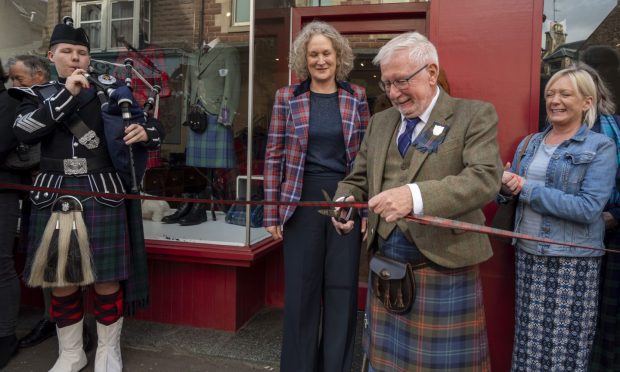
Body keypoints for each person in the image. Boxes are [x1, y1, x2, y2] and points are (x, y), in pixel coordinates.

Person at [331, 31, 502, 370]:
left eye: (401, 81)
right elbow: (358, 178)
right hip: (387, 264)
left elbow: (485, 178)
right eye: (387, 84)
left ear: (432, 72)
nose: (393, 93)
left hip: (444, 265)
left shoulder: (473, 115)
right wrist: (345, 200)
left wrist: (414, 196)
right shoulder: (380, 123)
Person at [11, 18, 160, 372]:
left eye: (82, 52)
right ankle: (71, 354)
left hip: (102, 191)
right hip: (54, 191)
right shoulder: (36, 95)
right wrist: (68, 94)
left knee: (107, 278)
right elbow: (24, 131)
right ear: (52, 56)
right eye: (67, 52)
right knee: (62, 279)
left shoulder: (113, 92)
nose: (75, 58)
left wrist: (144, 132)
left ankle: (109, 351)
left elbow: (155, 127)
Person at [263, 21, 369, 372]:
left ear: (339, 57)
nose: (320, 60)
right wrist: (272, 212)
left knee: (341, 291)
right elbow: (274, 155)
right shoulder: (287, 97)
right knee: (302, 293)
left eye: (326, 53)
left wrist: (366, 208)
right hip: (300, 200)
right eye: (313, 54)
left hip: (346, 200)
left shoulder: (357, 96)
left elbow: (365, 158)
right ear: (303, 59)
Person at [500, 66, 616, 371]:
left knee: (565, 352)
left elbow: (588, 208)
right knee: (526, 345)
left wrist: (526, 187)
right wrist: (505, 186)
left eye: (566, 94)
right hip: (528, 255)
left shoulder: (600, 146)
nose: (555, 100)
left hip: (572, 262)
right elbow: (513, 197)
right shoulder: (530, 143)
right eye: (550, 93)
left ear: (586, 103)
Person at [4, 55, 60, 350]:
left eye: (18, 78)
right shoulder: (26, 97)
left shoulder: (53, 97)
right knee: (39, 252)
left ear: (39, 75)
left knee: (52, 254)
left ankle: (57, 319)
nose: (14, 83)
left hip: (52, 187)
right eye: (12, 78)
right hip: (33, 188)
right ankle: (51, 316)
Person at [578, 56, 620, 371]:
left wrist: (615, 215)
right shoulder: (555, 131)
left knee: (609, 320)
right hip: (573, 237)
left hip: (613, 235)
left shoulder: (615, 128)